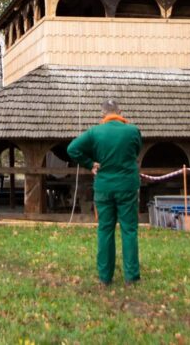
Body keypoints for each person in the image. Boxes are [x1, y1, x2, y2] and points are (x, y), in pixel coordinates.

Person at [67, 98, 143, 286]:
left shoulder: (95, 132)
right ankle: (131, 277)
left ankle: (104, 277)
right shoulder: (133, 131)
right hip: (127, 187)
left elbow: (72, 149)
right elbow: (136, 151)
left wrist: (89, 164)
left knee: (105, 229)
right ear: (120, 111)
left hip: (104, 188)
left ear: (103, 114)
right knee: (129, 230)